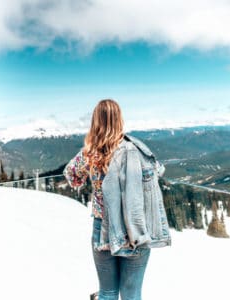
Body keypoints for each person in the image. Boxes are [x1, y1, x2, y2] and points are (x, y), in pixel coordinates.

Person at [63, 99, 171, 300]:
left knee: (107, 292)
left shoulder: (90, 153)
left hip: (103, 227)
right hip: (136, 227)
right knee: (132, 294)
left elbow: (71, 176)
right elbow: (159, 170)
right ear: (119, 119)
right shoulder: (136, 148)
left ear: (95, 121)